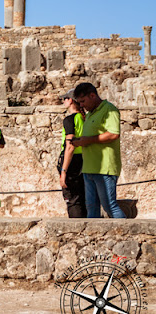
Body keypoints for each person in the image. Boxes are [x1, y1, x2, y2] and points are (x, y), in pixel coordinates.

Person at [71, 82, 125, 218]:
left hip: (104, 169)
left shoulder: (109, 110)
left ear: (93, 95)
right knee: (91, 207)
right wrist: (80, 141)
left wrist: (87, 141)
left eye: (83, 101)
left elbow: (113, 134)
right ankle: (92, 238)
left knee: (109, 206)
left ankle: (130, 235)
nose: (81, 105)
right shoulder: (89, 114)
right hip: (89, 168)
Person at [57, 89, 87, 218]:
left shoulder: (70, 119)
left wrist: (64, 171)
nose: (63, 101)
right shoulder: (84, 118)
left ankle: (77, 231)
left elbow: (70, 146)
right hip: (84, 160)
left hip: (72, 162)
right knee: (82, 197)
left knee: (72, 200)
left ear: (70, 100)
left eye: (64, 99)